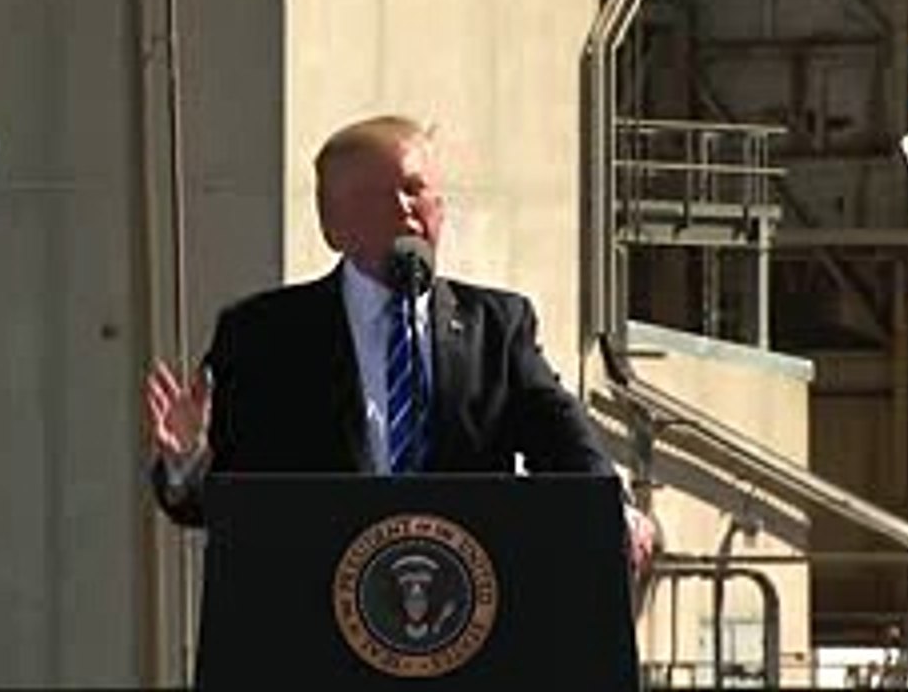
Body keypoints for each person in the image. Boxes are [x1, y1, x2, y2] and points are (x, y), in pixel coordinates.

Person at [144, 114, 654, 569]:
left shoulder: (496, 327)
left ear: (441, 207)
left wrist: (611, 509)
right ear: (332, 225)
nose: (405, 209)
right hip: (317, 612)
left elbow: (561, 437)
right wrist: (189, 460)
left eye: (416, 190)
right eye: (377, 196)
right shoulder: (262, 336)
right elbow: (217, 503)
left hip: (463, 608)